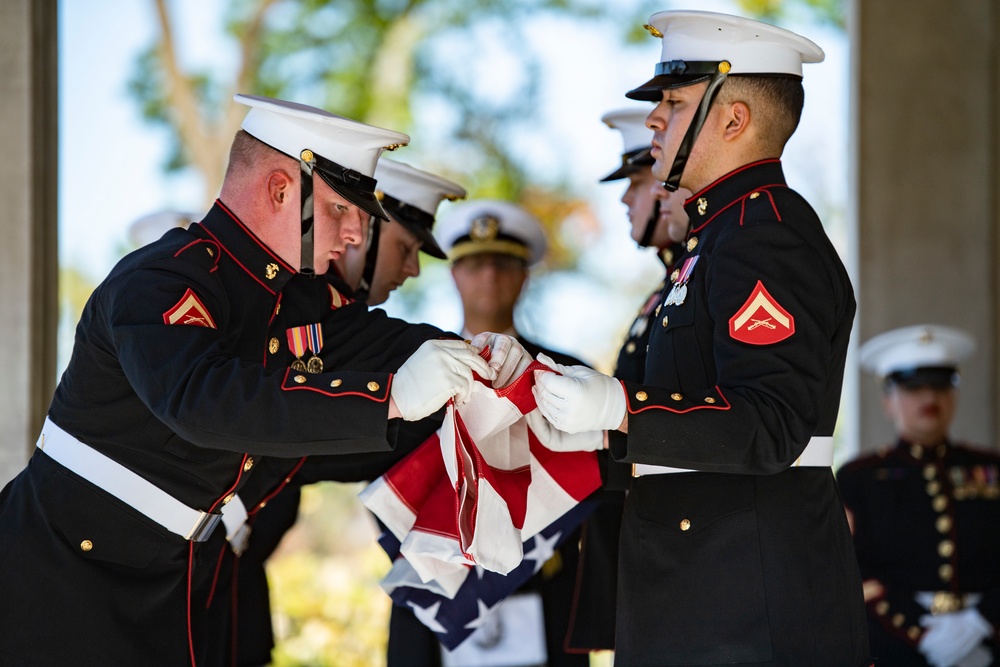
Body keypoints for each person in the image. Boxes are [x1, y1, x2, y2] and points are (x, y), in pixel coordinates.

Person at [0, 94, 505, 666]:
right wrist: (389, 398)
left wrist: (479, 356)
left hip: (166, 573)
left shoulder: (291, 299)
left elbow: (373, 341)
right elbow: (203, 400)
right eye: (342, 210)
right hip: (60, 573)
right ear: (281, 190)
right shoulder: (162, 278)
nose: (355, 237)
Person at [529, 10, 870, 665]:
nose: (654, 119)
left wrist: (619, 407)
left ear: (734, 120)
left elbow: (771, 422)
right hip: (705, 594)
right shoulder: (718, 237)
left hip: (744, 608)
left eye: (675, 102)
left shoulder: (763, 233)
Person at [207, 157, 469, 667]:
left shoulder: (332, 314)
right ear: (364, 230)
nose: (412, 268)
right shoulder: (295, 304)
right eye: (407, 248)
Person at [384, 198, 591, 667]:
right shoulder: (414, 371)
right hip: (434, 583)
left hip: (541, 581)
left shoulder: (570, 376)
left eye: (503, 264)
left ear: (524, 276)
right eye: (474, 265)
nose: (489, 277)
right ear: (455, 275)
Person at [565, 106, 691, 654]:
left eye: (637, 182)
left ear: (667, 188)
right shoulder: (660, 294)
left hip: (685, 548)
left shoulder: (695, 283)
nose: (624, 200)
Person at [837, 324, 1000, 667]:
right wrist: (920, 633)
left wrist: (982, 619)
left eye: (940, 385)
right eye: (914, 387)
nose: (929, 398)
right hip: (896, 645)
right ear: (888, 401)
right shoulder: (859, 478)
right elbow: (853, 572)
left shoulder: (991, 468)